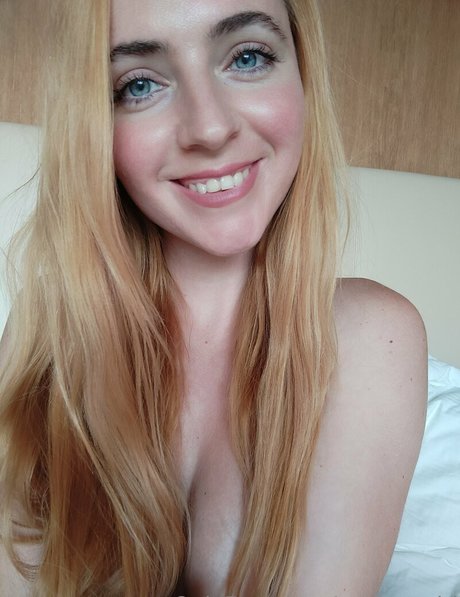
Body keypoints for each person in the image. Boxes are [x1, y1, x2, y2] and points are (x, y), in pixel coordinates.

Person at [0, 0, 427, 595]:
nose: (208, 128)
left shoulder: (371, 337)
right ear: (95, 123)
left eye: (247, 57)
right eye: (139, 85)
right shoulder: (46, 333)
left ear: (303, 73)